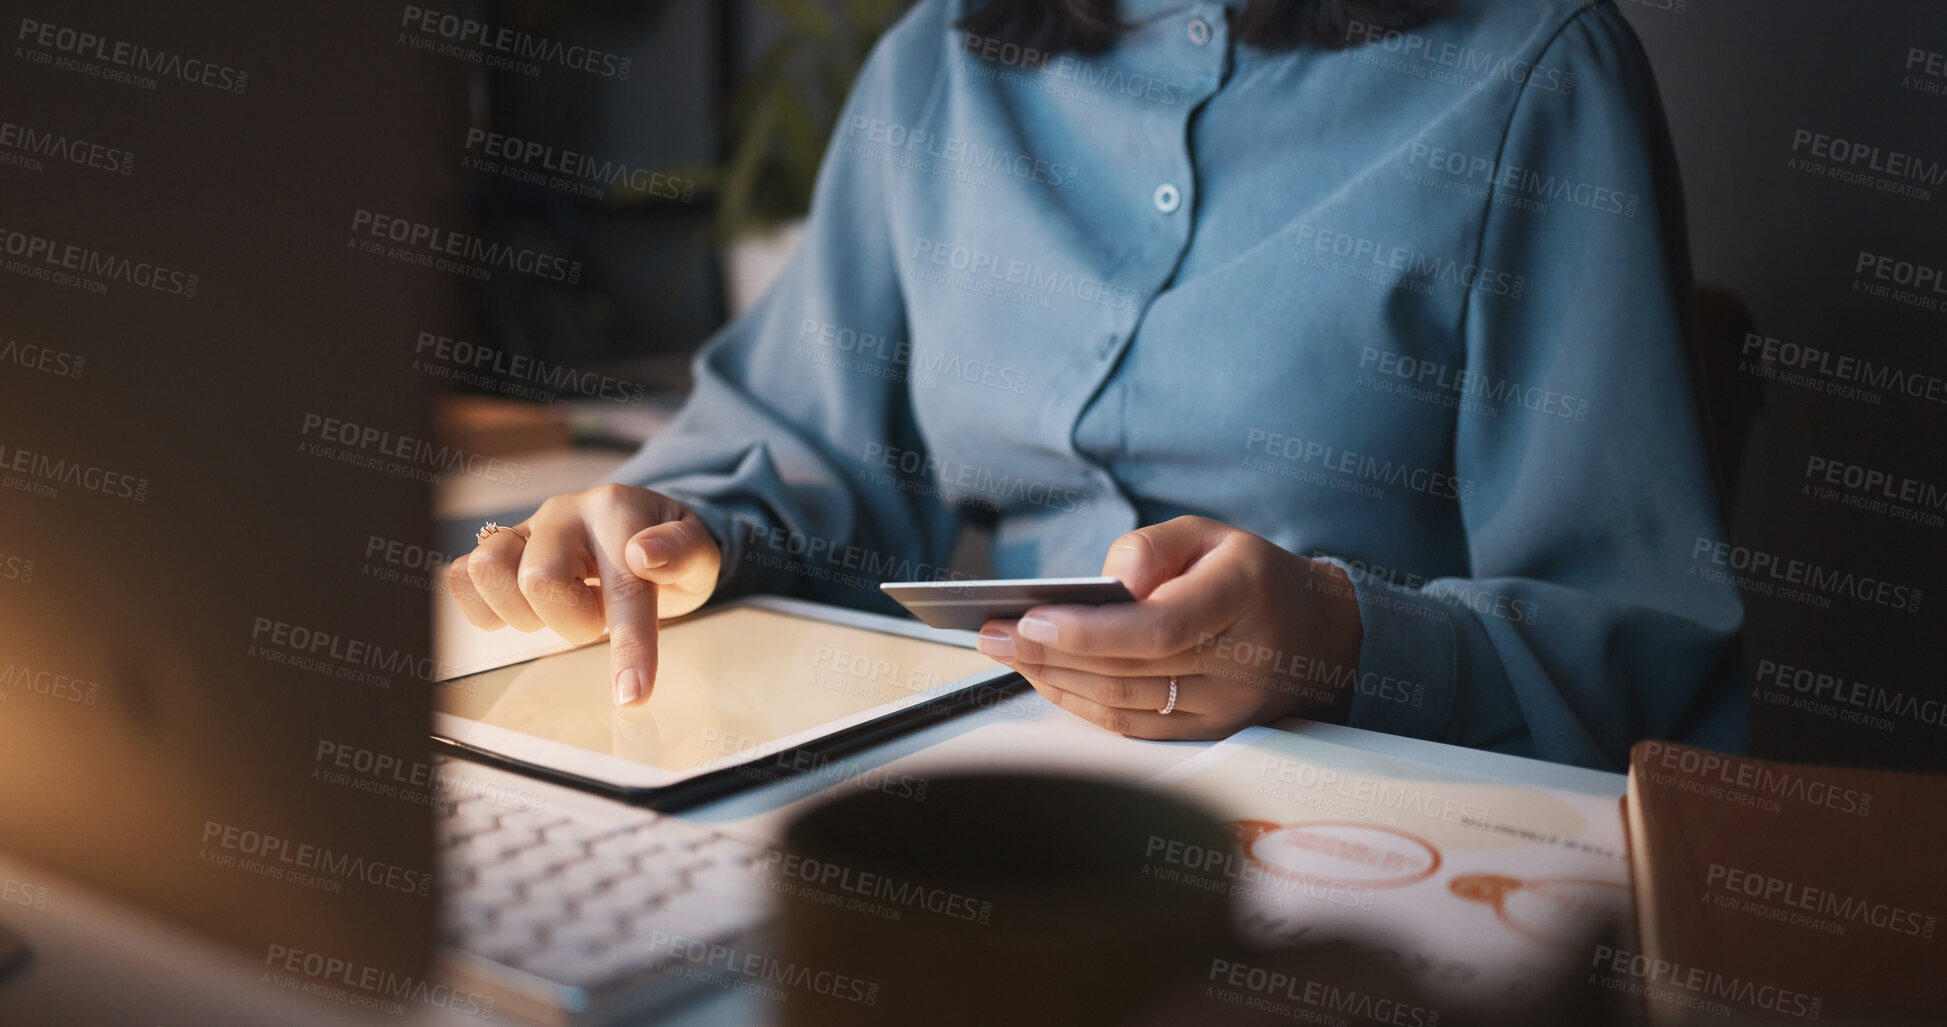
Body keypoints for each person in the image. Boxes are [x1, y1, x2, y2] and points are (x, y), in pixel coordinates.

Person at [447, 0, 1742, 771]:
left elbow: (1640, 653)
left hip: (1375, 855)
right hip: (968, 812)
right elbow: (801, 452)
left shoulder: (1537, 73)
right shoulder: (940, 65)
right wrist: (662, 527)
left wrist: (1344, 642)